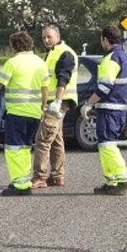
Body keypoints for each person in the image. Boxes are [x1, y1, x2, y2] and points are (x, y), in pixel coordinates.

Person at [0, 32, 49, 196]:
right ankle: (23, 181)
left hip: (17, 113)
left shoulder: (12, 62)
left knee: (14, 149)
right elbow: (45, 89)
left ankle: (19, 185)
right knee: (25, 148)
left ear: (15, 46)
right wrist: (42, 108)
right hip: (34, 113)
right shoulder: (41, 63)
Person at [83, 25, 127, 195]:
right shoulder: (124, 57)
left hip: (109, 109)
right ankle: (112, 181)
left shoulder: (110, 59)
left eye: (101, 39)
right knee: (107, 144)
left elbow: (105, 87)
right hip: (118, 109)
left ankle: (123, 179)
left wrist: (88, 104)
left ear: (105, 39)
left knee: (107, 145)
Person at [31, 24, 78, 188]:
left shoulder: (64, 53)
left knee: (43, 139)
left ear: (58, 36)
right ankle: (57, 176)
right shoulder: (53, 53)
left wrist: (57, 102)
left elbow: (63, 78)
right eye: (44, 37)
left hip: (58, 102)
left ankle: (40, 177)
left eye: (49, 37)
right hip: (54, 102)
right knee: (56, 139)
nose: (46, 40)